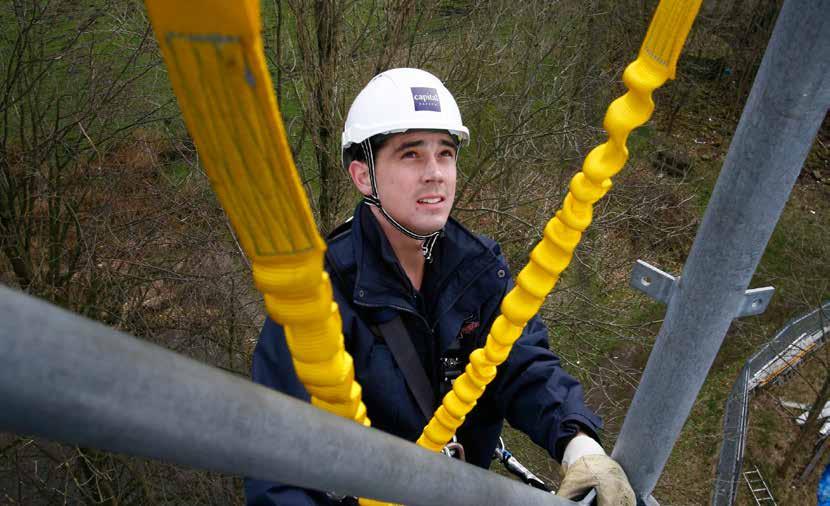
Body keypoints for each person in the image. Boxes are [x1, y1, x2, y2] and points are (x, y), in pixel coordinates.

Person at [245, 68, 635, 506]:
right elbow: (278, 465)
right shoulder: (318, 297)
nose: (435, 173)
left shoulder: (479, 269)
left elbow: (521, 363)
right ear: (363, 176)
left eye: (445, 154)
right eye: (411, 154)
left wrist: (578, 443)